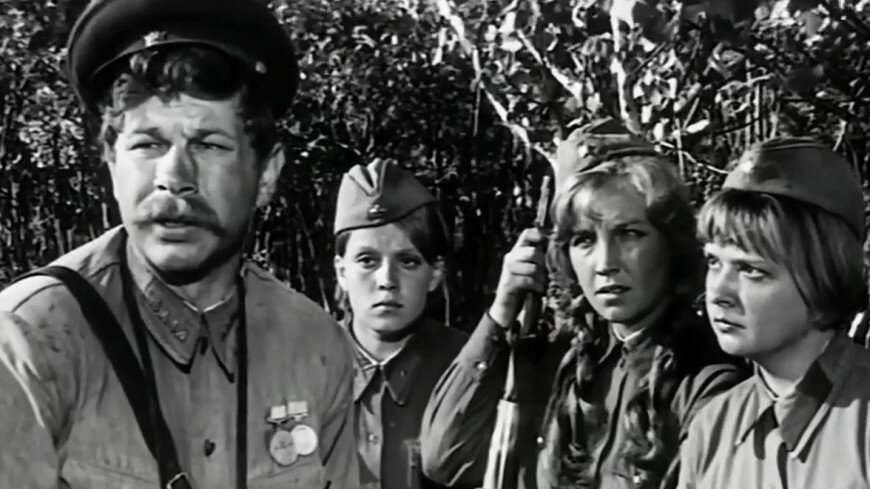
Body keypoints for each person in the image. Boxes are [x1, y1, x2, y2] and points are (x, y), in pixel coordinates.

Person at [0, 1, 358, 488]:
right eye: (148, 144)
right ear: (112, 163)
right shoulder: (32, 339)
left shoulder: (313, 345)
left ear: (267, 174)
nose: (174, 177)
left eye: (209, 144)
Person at [420, 119, 746, 489]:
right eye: (584, 240)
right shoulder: (558, 361)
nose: (605, 262)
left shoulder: (706, 381)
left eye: (629, 234)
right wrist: (501, 313)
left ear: (672, 244)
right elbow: (446, 458)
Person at [677, 138, 870, 488]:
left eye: (751, 270)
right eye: (714, 262)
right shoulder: (712, 428)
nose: (718, 293)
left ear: (823, 275)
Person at [333, 159, 468, 489]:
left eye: (407, 262)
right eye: (367, 261)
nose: (387, 281)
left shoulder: (466, 372)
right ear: (342, 272)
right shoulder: (297, 367)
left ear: (435, 274)